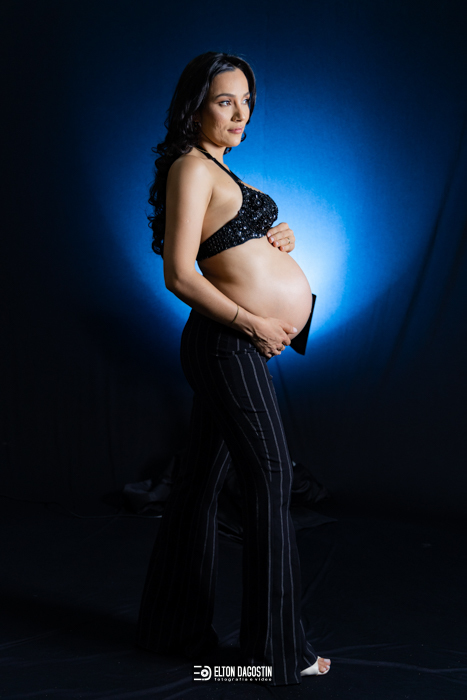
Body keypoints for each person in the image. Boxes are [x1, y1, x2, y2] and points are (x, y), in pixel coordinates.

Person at [136, 51, 331, 686]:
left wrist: (278, 238)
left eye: (246, 101)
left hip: (232, 345)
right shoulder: (192, 167)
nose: (241, 112)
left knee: (198, 485)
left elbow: (226, 246)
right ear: (195, 107)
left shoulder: (218, 168)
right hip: (228, 344)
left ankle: (171, 627)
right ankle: (274, 654)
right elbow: (180, 274)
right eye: (225, 101)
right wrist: (254, 323)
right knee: (270, 479)